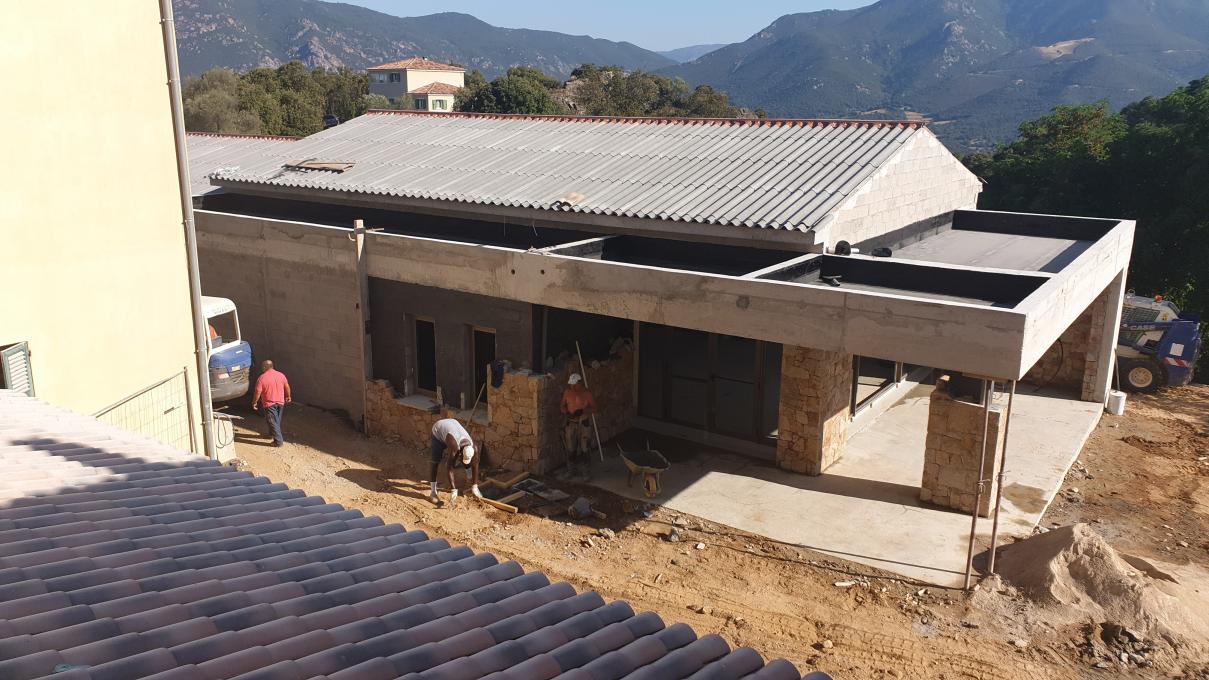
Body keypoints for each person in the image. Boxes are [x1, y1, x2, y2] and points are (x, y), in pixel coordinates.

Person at [429, 417, 481, 506]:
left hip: (452, 423)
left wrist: (475, 486)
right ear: (459, 453)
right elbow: (449, 468)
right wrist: (453, 490)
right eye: (462, 458)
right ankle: (433, 492)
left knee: (467, 462)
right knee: (435, 462)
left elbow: (475, 465)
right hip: (438, 430)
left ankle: (469, 479)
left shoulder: (474, 448)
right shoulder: (454, 448)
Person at [560, 373, 596, 478]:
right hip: (571, 424)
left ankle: (586, 472)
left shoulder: (587, 394)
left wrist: (583, 410)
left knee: (585, 448)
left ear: (579, 383)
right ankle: (571, 470)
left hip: (584, 424)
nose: (572, 387)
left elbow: (594, 408)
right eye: (571, 385)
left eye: (574, 385)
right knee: (570, 448)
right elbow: (562, 405)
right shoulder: (567, 392)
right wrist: (566, 412)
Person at [251, 360, 291, 447]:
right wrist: (288, 396)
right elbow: (287, 386)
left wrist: (254, 402)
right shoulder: (281, 375)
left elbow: (258, 391)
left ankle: (278, 442)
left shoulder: (262, 378)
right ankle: (271, 434)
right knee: (275, 421)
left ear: (265, 367)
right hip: (280, 402)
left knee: (273, 422)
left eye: (262, 366)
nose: (262, 368)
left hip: (270, 404)